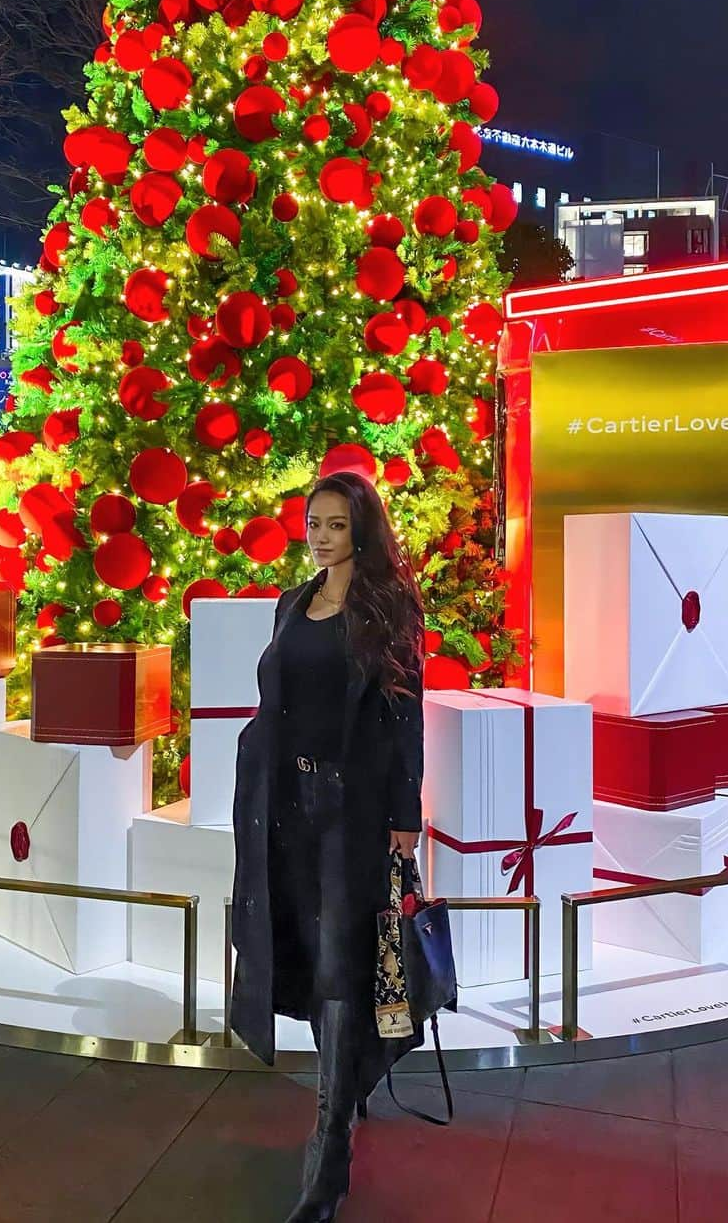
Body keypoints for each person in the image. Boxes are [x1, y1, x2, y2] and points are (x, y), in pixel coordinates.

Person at [231, 472, 426, 1223]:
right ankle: (345, 1086)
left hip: (354, 810)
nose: (320, 535)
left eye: (337, 525)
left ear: (361, 531)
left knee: (345, 961)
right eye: (314, 522)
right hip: (285, 809)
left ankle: (331, 1139)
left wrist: (405, 814)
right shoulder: (290, 604)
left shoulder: (387, 609)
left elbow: (406, 717)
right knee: (310, 955)